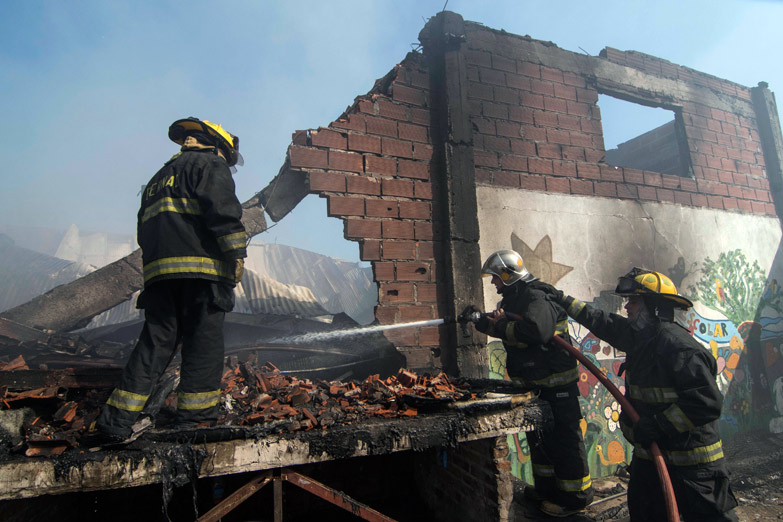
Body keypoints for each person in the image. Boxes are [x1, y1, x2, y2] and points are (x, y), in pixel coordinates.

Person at [95, 117, 247, 442]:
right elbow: (223, 214)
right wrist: (236, 257)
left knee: (155, 343)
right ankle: (195, 421)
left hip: (159, 277)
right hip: (203, 274)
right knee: (203, 342)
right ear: (216, 145)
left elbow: (143, 230)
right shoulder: (209, 166)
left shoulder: (156, 179)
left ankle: (114, 421)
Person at [552, 267, 738, 521]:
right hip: (650, 461)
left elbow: (706, 403)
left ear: (655, 308)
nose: (627, 307)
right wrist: (560, 298)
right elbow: (601, 322)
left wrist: (658, 425)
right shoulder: (640, 338)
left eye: (634, 302)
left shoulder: (678, 348)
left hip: (693, 469)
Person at [467, 249, 594, 518]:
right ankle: (548, 490)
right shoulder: (516, 298)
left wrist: (499, 327)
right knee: (540, 439)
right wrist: (479, 321)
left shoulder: (535, 296)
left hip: (557, 387)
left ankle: (574, 499)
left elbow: (536, 331)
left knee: (564, 441)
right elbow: (509, 329)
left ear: (507, 275)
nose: (493, 283)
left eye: (495, 278)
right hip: (536, 385)